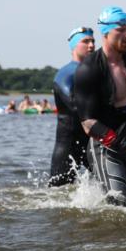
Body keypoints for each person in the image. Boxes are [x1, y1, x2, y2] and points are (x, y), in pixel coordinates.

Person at [73, 6, 126, 206]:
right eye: (121, 30)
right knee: (119, 205)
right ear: (105, 32)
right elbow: (88, 123)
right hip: (106, 144)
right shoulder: (89, 69)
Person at [48, 27, 95, 187]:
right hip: (67, 144)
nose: (91, 45)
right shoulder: (66, 73)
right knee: (58, 194)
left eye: (93, 41)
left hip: (91, 141)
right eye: (86, 41)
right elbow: (74, 104)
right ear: (74, 46)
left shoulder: (95, 72)